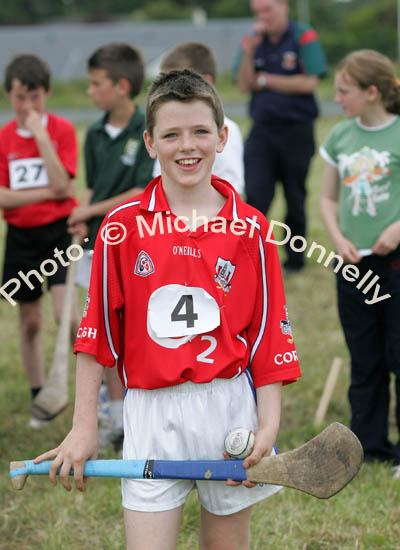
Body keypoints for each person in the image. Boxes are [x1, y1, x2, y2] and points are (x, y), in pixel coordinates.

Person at [35, 69, 301, 550]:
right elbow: (97, 333)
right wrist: (83, 426)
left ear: (222, 136)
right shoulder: (121, 226)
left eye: (200, 131)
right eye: (171, 134)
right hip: (150, 411)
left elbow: (268, 334)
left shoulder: (253, 229)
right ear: (150, 143)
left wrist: (269, 425)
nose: (188, 146)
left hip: (228, 410)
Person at [67, 43, 155, 450]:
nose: (90, 91)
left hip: (131, 242)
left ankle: (131, 413)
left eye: (95, 84)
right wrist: (83, 215)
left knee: (131, 330)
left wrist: (93, 209)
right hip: (93, 244)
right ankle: (113, 412)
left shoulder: (145, 127)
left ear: (121, 86)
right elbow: (92, 184)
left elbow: (140, 190)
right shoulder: (95, 132)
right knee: (95, 329)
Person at [319, 50, 400, 470]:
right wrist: (338, 238)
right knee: (364, 357)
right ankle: (369, 447)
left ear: (372, 92)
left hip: (395, 263)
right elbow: (329, 197)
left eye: (344, 90)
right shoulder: (340, 137)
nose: (337, 98)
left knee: (398, 353)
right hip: (353, 263)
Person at [0, 53, 79, 426]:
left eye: (34, 97)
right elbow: (3, 196)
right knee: (30, 321)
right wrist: (47, 192)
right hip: (21, 239)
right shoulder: (4, 139)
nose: (27, 106)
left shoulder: (60, 130)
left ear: (46, 93)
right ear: (9, 97)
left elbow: (64, 183)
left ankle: (89, 392)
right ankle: (39, 399)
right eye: (19, 97)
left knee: (68, 317)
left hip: (59, 234)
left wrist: (41, 134)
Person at [234, 0, 328, 273]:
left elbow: (309, 82)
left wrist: (265, 80)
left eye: (268, 10)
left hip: (297, 130)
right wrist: (250, 54)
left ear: (283, 6)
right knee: (255, 195)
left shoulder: (303, 36)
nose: (263, 17)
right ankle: (252, 258)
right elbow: (243, 84)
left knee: (295, 196)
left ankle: (295, 261)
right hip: (261, 130)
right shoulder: (251, 42)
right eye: (257, 12)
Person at [152, 41, 245, 196]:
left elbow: (232, 185)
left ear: (206, 81)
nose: (167, 91)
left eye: (177, 83)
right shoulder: (164, 128)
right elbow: (159, 176)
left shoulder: (225, 128)